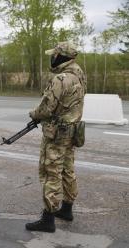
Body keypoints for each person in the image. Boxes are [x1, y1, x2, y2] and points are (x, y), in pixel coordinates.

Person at [25, 42, 87, 233]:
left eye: (55, 55)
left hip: (57, 135)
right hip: (73, 131)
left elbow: (46, 108)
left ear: (62, 57)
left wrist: (33, 114)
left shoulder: (60, 79)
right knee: (68, 170)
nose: (52, 58)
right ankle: (67, 209)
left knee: (51, 172)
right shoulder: (79, 75)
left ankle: (48, 218)